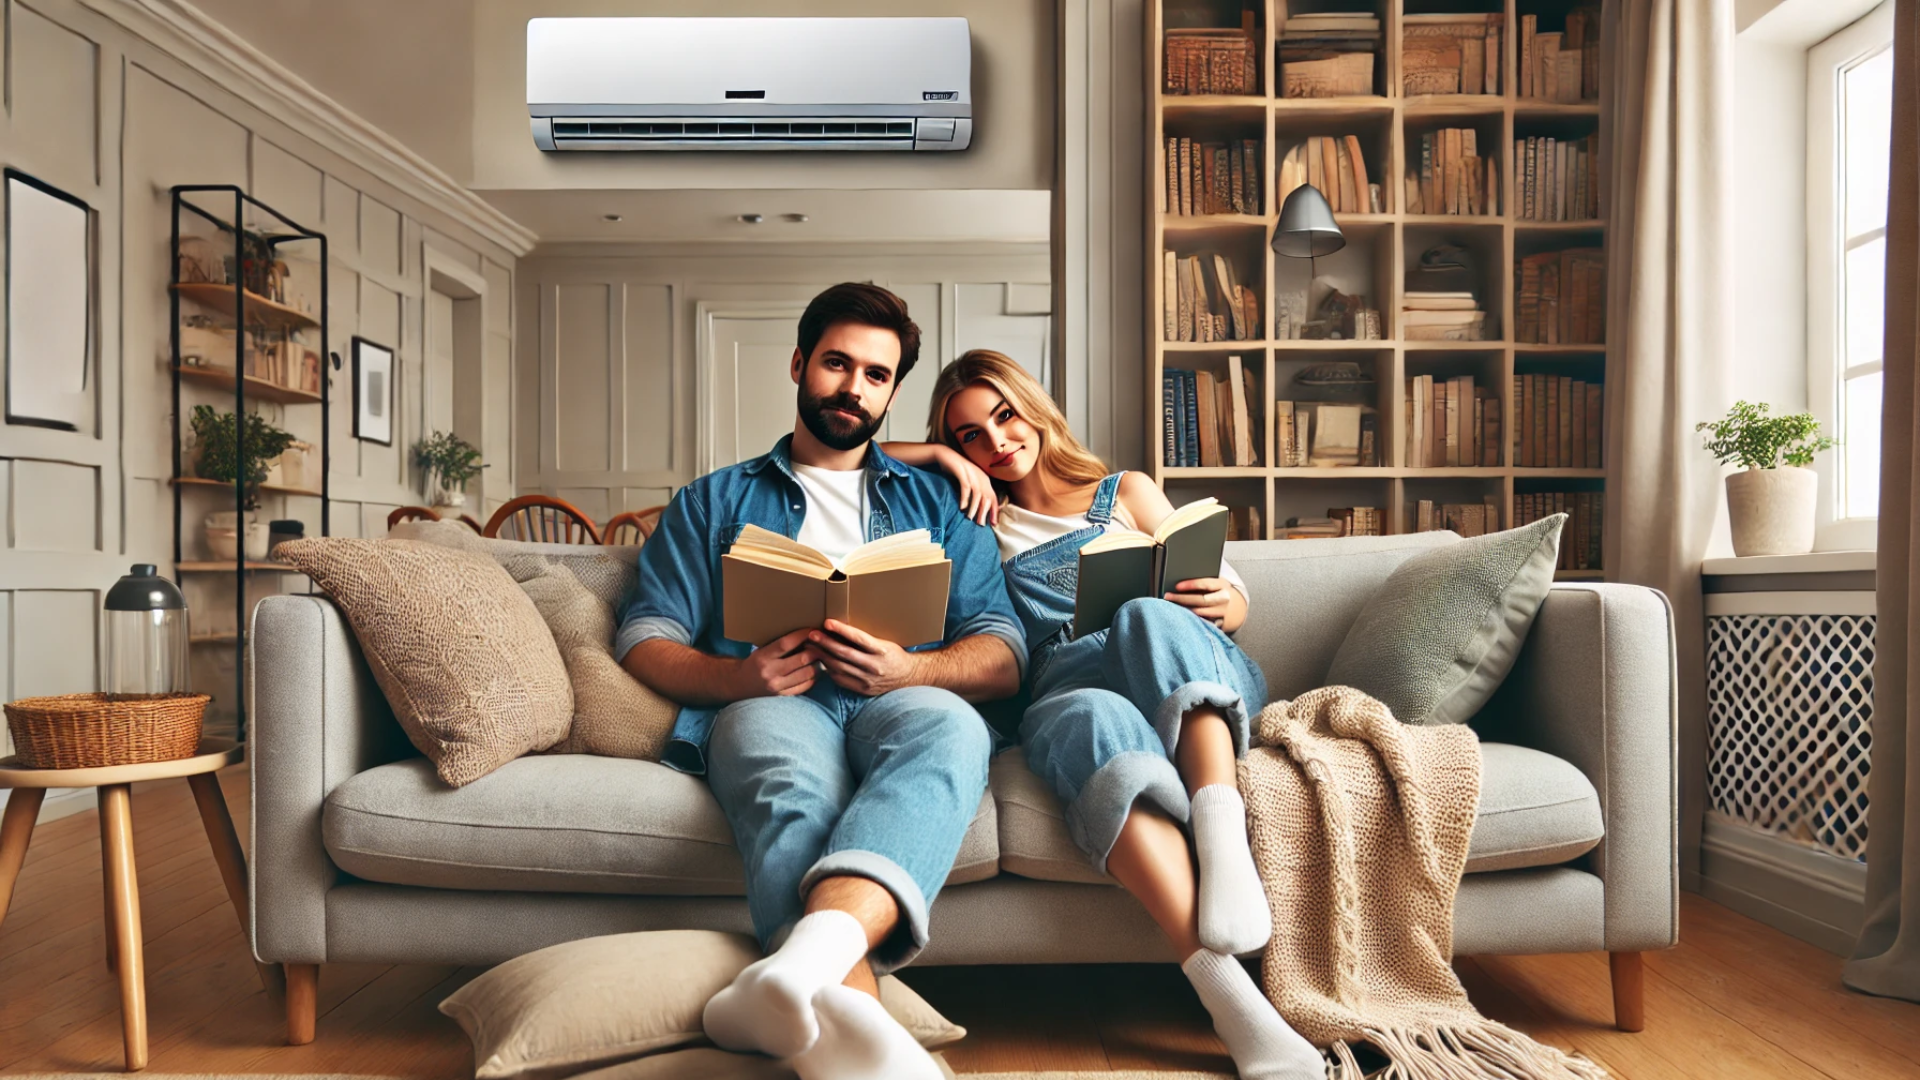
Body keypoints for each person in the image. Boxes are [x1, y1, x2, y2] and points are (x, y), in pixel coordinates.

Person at [617, 287, 1026, 1080]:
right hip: (772, 698)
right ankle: (857, 1031)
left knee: (953, 730)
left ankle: (794, 973)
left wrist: (912, 668)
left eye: (876, 375)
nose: (854, 387)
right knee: (786, 786)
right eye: (838, 364)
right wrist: (737, 675)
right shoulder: (714, 499)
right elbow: (645, 636)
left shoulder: (941, 500)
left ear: (893, 393)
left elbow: (1003, 650)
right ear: (801, 364)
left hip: (902, 696)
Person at [883, 350, 1326, 1080]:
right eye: (968, 435)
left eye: (1004, 415)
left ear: (1033, 407)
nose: (996, 441)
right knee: (1081, 714)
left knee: (1145, 615)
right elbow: (853, 453)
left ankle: (1222, 838)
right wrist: (930, 453)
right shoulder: (975, 521)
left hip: (1173, 659)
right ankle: (1236, 1007)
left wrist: (1226, 599)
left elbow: (1233, 597)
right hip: (1072, 682)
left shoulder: (1126, 489)